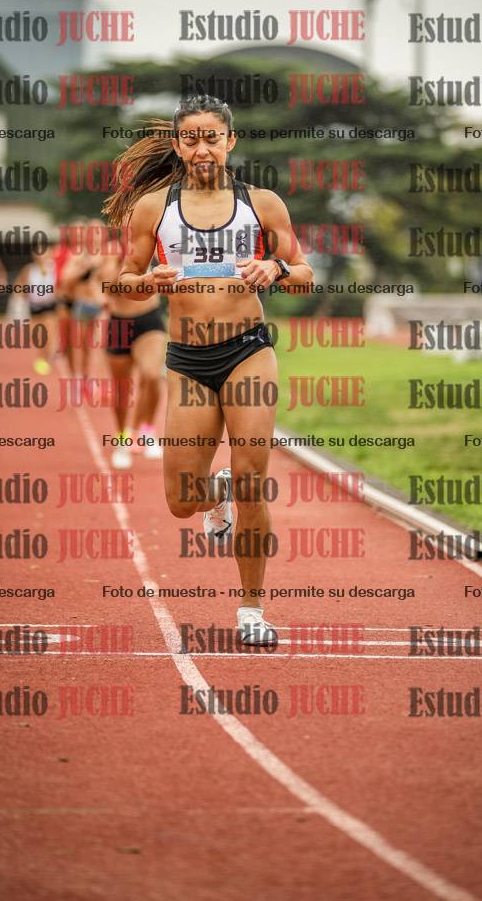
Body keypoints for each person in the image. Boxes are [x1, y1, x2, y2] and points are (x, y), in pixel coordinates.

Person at [104, 95, 313, 645]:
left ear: (230, 141)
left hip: (248, 351)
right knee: (180, 502)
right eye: (191, 138)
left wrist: (274, 267)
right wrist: (147, 282)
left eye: (212, 137)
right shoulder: (154, 208)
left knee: (253, 482)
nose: (202, 148)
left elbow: (304, 273)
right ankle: (215, 490)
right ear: (177, 145)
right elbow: (123, 279)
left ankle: (252, 611)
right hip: (189, 360)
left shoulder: (261, 203)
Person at [101, 251, 166, 469]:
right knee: (121, 389)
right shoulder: (112, 254)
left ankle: (146, 431)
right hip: (120, 323)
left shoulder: (154, 249)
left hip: (149, 320)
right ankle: (122, 439)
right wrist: (120, 263)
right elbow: (108, 289)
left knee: (152, 376)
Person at [60, 220, 107, 393]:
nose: (96, 236)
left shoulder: (108, 255)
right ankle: (79, 378)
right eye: (93, 232)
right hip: (82, 305)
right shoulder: (79, 255)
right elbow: (65, 279)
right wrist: (83, 269)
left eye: (99, 232)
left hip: (101, 306)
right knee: (80, 345)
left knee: (98, 345)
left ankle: (92, 378)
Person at [14, 249, 57, 375]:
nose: (41, 256)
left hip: (49, 306)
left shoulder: (54, 268)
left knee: (49, 335)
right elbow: (18, 285)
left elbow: (61, 284)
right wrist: (22, 294)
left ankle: (45, 358)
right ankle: (41, 356)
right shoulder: (29, 270)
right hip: (34, 306)